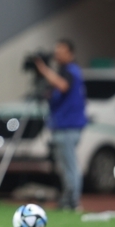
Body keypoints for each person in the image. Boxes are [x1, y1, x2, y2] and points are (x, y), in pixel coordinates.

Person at [35, 39, 87, 211]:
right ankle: (68, 198)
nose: (57, 55)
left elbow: (63, 85)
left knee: (70, 165)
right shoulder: (66, 71)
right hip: (63, 125)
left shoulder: (71, 71)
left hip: (68, 126)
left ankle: (73, 200)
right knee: (65, 166)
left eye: (60, 52)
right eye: (56, 52)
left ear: (70, 53)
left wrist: (44, 70)